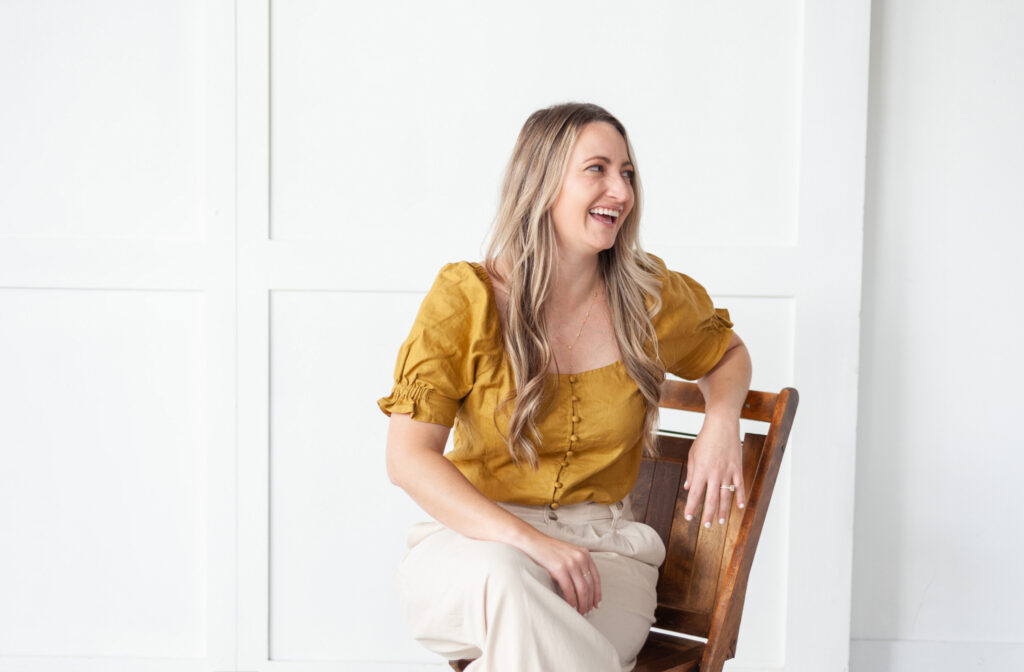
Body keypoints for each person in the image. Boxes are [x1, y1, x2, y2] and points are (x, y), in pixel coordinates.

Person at [378, 102, 752, 672]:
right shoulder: (467, 299)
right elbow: (408, 459)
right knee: (507, 581)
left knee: (522, 647)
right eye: (597, 169)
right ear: (543, 183)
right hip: (469, 549)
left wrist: (721, 418)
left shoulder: (647, 299)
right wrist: (531, 544)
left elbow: (725, 353)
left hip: (604, 557)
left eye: (626, 172)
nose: (621, 191)